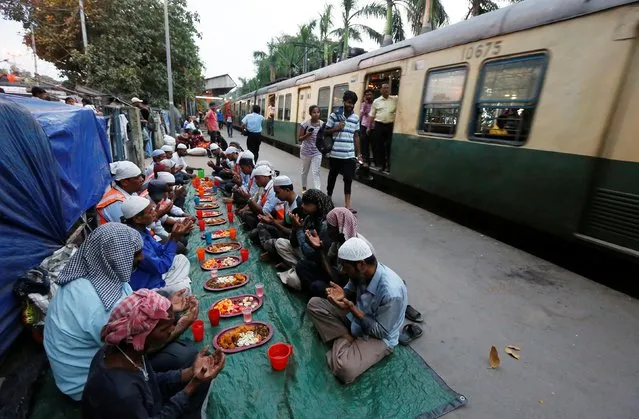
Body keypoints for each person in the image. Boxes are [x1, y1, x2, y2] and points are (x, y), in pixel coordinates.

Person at [44, 224, 199, 401]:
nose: (141, 258)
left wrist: (167, 306)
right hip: (90, 384)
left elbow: (133, 302)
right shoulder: (99, 306)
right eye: (135, 254)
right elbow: (133, 349)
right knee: (183, 354)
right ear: (115, 256)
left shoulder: (98, 273)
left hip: (103, 357)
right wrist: (182, 325)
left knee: (167, 309)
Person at [82, 289, 224, 418]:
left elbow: (151, 382)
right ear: (142, 333)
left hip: (149, 406)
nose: (171, 330)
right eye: (164, 329)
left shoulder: (129, 351)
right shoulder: (123, 393)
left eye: (172, 324)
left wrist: (191, 372)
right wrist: (192, 386)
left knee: (200, 375)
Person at [307, 237, 407, 384]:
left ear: (361, 265)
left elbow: (381, 332)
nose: (343, 271)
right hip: (356, 316)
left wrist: (353, 310)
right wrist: (343, 295)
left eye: (345, 267)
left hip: (379, 337)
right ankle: (347, 337)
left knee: (345, 370)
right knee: (314, 304)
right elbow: (349, 290)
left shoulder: (391, 292)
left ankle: (342, 339)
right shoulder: (361, 274)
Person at [295, 207, 373, 298]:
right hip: (334, 276)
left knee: (316, 286)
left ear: (340, 228)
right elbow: (326, 262)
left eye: (330, 228)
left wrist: (320, 251)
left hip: (346, 287)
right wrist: (318, 248)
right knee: (302, 265)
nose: (327, 231)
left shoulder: (356, 249)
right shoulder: (337, 241)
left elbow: (339, 279)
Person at [122, 196, 194, 294]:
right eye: (150, 211)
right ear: (137, 219)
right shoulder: (135, 240)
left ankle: (178, 282)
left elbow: (160, 250)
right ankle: (178, 284)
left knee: (181, 259)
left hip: (158, 276)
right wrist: (174, 238)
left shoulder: (143, 230)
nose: (155, 213)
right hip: (149, 288)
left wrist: (174, 236)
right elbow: (161, 267)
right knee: (184, 288)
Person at [276, 189, 334, 288]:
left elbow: (310, 252)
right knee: (280, 243)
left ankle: (297, 269)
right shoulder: (310, 218)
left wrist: (298, 230)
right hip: (305, 255)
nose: (302, 206)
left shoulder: (326, 224)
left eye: (307, 204)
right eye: (303, 203)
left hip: (318, 261)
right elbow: (293, 243)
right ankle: (297, 267)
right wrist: (294, 228)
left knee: (293, 280)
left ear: (318, 205)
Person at [249, 175, 302, 262]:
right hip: (283, 232)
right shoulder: (286, 203)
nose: (276, 196)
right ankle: (270, 251)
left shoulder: (298, 206)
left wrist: (274, 223)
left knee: (266, 241)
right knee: (260, 227)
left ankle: (273, 254)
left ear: (287, 190)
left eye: (277, 192)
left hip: (292, 240)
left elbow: (293, 233)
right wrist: (270, 221)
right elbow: (285, 222)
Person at [325, 90, 361, 213]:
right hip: (335, 153)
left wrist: (358, 153)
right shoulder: (334, 115)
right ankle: (328, 199)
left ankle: (347, 205)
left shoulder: (356, 118)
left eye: (353, 104)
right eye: (349, 102)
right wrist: (336, 128)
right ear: (344, 101)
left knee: (348, 179)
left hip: (349, 154)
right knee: (332, 177)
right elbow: (326, 131)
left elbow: (356, 136)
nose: (351, 105)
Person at [235, 164, 276, 230]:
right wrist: (246, 206)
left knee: (246, 215)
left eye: (257, 178)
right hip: (262, 215)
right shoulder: (263, 187)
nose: (256, 181)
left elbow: (264, 212)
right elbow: (257, 205)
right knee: (243, 212)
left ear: (266, 177)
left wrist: (249, 199)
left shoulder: (273, 189)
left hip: (271, 219)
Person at [368, 83, 397, 173]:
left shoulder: (395, 99)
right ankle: (382, 166)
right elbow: (372, 114)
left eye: (387, 88)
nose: (386, 90)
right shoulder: (376, 101)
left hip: (390, 125)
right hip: (379, 125)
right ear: (381, 90)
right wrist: (369, 127)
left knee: (388, 146)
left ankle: (388, 165)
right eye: (384, 88)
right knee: (379, 146)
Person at [298, 105, 323, 191]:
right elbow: (299, 138)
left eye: (318, 112)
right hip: (306, 152)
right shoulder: (305, 124)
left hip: (317, 152)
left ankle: (318, 190)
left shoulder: (322, 124)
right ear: (310, 113)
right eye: (314, 112)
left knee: (316, 172)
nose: (316, 114)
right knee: (305, 172)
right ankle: (304, 188)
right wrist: (307, 135)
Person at [359, 89, 375, 170]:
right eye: (367, 95)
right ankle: (366, 161)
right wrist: (365, 103)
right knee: (364, 144)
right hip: (364, 125)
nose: (369, 96)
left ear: (373, 95)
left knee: (373, 144)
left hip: (373, 126)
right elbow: (361, 114)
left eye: (370, 94)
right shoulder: (363, 104)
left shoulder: (375, 104)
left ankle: (374, 161)